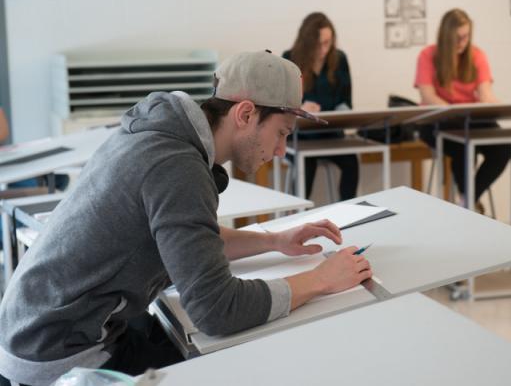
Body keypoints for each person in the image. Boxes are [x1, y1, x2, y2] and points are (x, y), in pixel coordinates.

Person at [0, 51, 372, 386]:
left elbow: (189, 243)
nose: (279, 150)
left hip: (42, 328)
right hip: (56, 354)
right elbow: (217, 310)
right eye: (280, 133)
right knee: (244, 367)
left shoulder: (163, 138)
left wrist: (274, 241)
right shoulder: (177, 167)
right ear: (245, 114)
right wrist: (320, 280)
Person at [414, 8, 511, 211]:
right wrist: (453, 112)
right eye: (457, 38)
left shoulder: (476, 55)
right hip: (436, 121)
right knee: (463, 146)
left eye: (466, 36)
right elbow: (428, 96)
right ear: (445, 36)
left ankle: (466, 200)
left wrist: (501, 107)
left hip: (470, 120)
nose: (462, 42)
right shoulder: (427, 55)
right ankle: (469, 203)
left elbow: (485, 94)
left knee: (503, 147)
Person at [283, 12, 359, 200]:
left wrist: (343, 112)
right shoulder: (289, 58)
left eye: (328, 43)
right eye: (318, 45)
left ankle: (349, 213)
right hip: (300, 137)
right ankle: (297, 219)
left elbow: (346, 102)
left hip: (332, 134)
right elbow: (280, 104)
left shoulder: (339, 59)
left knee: (352, 162)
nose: (324, 50)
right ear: (307, 43)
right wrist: (300, 107)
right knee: (305, 166)